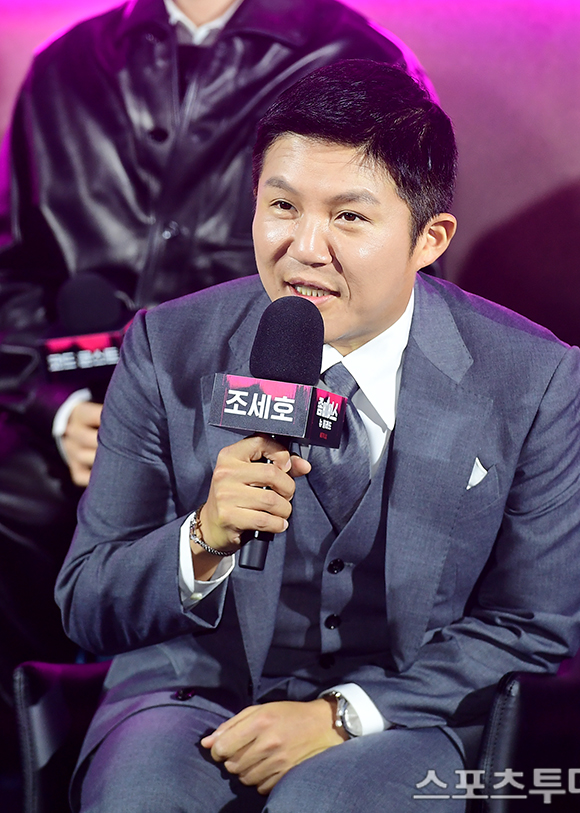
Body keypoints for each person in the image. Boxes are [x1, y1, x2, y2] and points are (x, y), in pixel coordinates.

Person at [55, 60, 580, 812]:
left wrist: (343, 714)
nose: (305, 247)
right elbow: (86, 600)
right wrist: (202, 539)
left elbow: (543, 619)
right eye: (282, 206)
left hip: (404, 709)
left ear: (429, 238)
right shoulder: (166, 345)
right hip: (191, 693)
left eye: (349, 217)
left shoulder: (530, 377)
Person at [0, 0, 432, 706]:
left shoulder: (353, 55)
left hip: (252, 413)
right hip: (78, 410)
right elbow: (17, 272)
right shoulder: (66, 66)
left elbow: (384, 290)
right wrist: (62, 409)